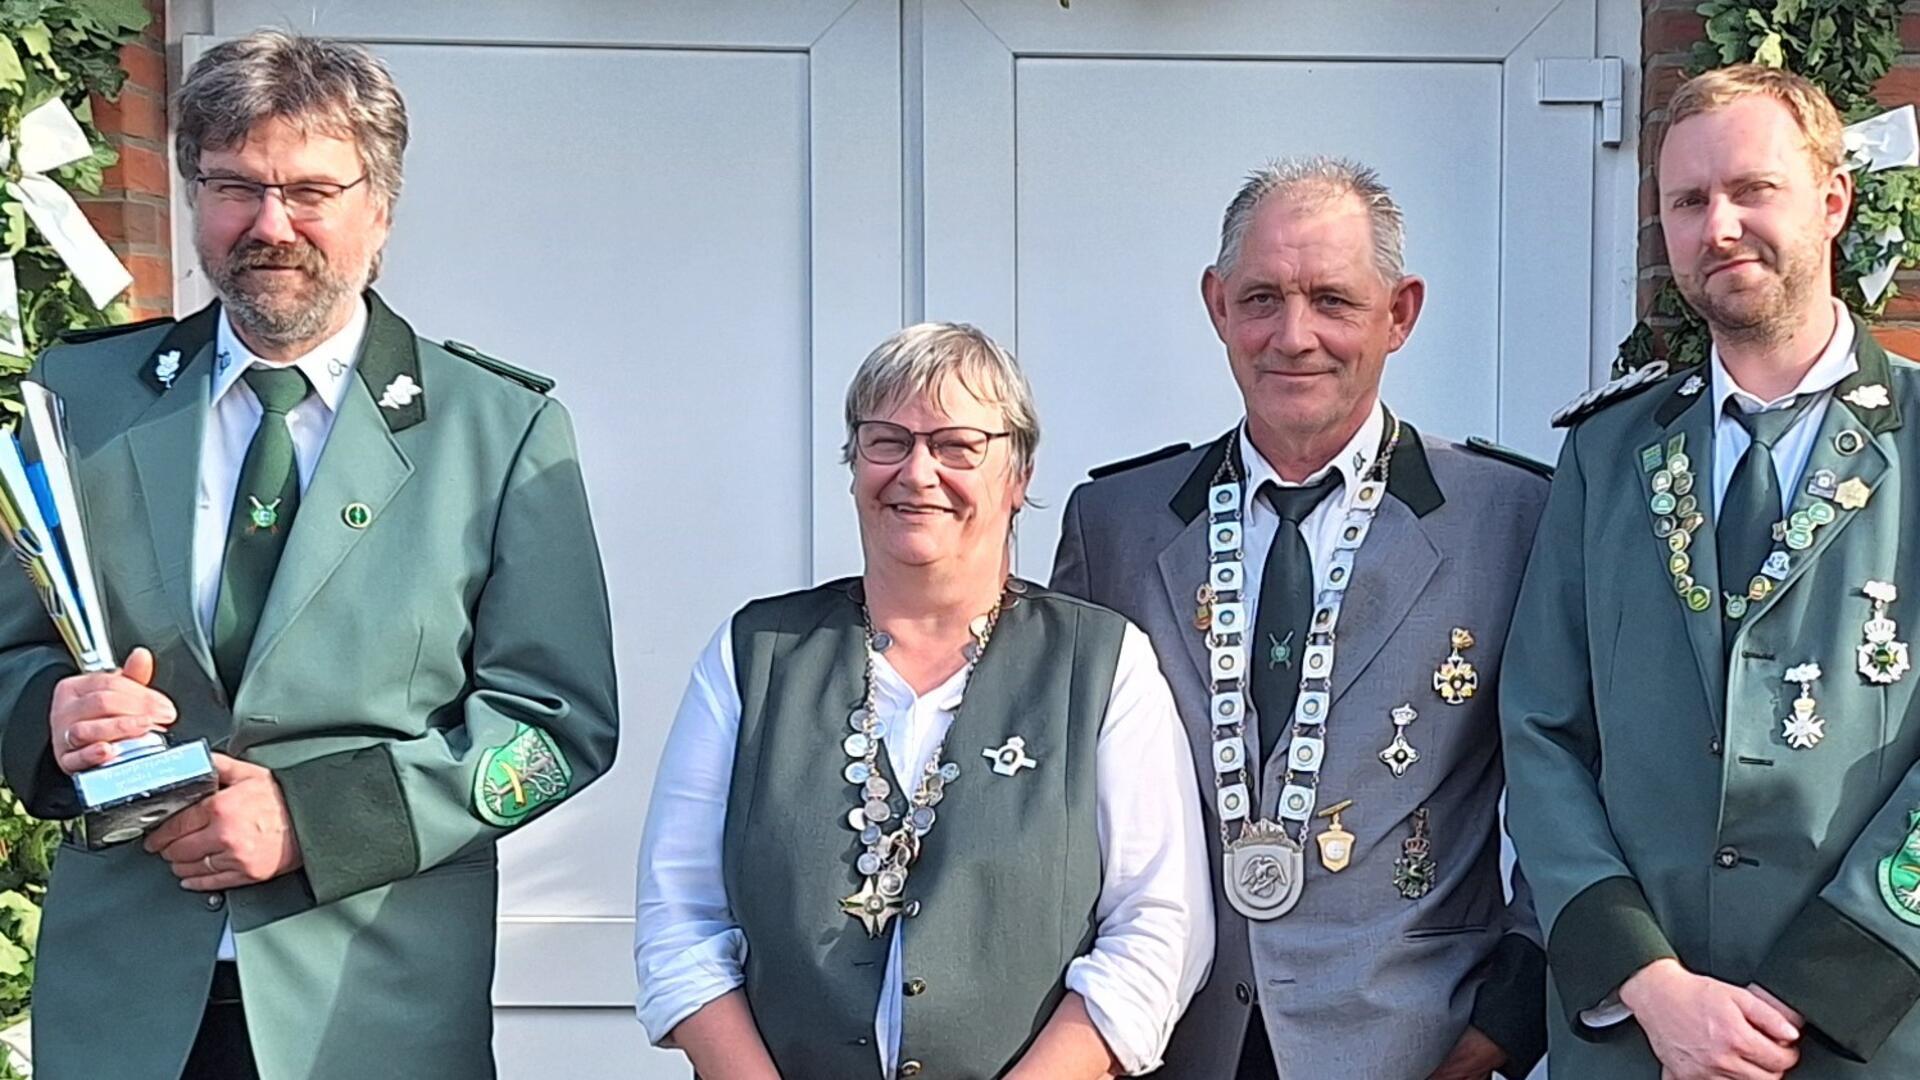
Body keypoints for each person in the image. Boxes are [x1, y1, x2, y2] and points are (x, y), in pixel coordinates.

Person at [0, 30, 618, 1079]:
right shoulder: (86, 400)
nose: (270, 225)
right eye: (234, 186)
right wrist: (48, 719)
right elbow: (11, 657)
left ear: (380, 208)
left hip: (372, 1008)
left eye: (310, 191)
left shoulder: (495, 429)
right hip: (124, 1008)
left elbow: (555, 727)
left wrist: (313, 821)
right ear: (194, 196)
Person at [1052, 157, 1549, 1079]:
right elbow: (1060, 801)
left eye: (1332, 300)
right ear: (1216, 305)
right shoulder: (1115, 523)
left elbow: (1573, 783)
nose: (1294, 335)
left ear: (1400, 313)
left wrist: (1507, 1027)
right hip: (1165, 1044)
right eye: (1261, 298)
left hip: (1415, 1043)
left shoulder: (1514, 518)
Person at [633, 322, 1211, 1079]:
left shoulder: (1103, 666)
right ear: (852, 466)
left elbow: (1159, 932)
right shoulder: (754, 654)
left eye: (958, 446)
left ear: (1019, 476)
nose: (918, 472)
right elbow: (679, 922)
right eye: (886, 441)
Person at [1503, 63, 1920, 1078]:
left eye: (1752, 189)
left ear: (1832, 199)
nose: (1719, 225)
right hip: (1637, 1037)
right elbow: (1541, 729)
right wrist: (1649, 984)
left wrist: (1816, 989)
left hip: (1868, 1031)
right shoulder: (1607, 456)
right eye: (1688, 202)